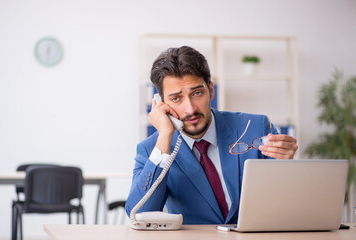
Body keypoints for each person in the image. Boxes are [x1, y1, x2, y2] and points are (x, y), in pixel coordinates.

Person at [125, 46, 298, 224]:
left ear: (211, 91)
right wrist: (164, 138)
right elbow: (138, 215)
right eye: (176, 98)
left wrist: (285, 167)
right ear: (160, 104)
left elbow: (285, 203)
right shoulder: (151, 150)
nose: (190, 109)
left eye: (197, 93)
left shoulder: (256, 128)